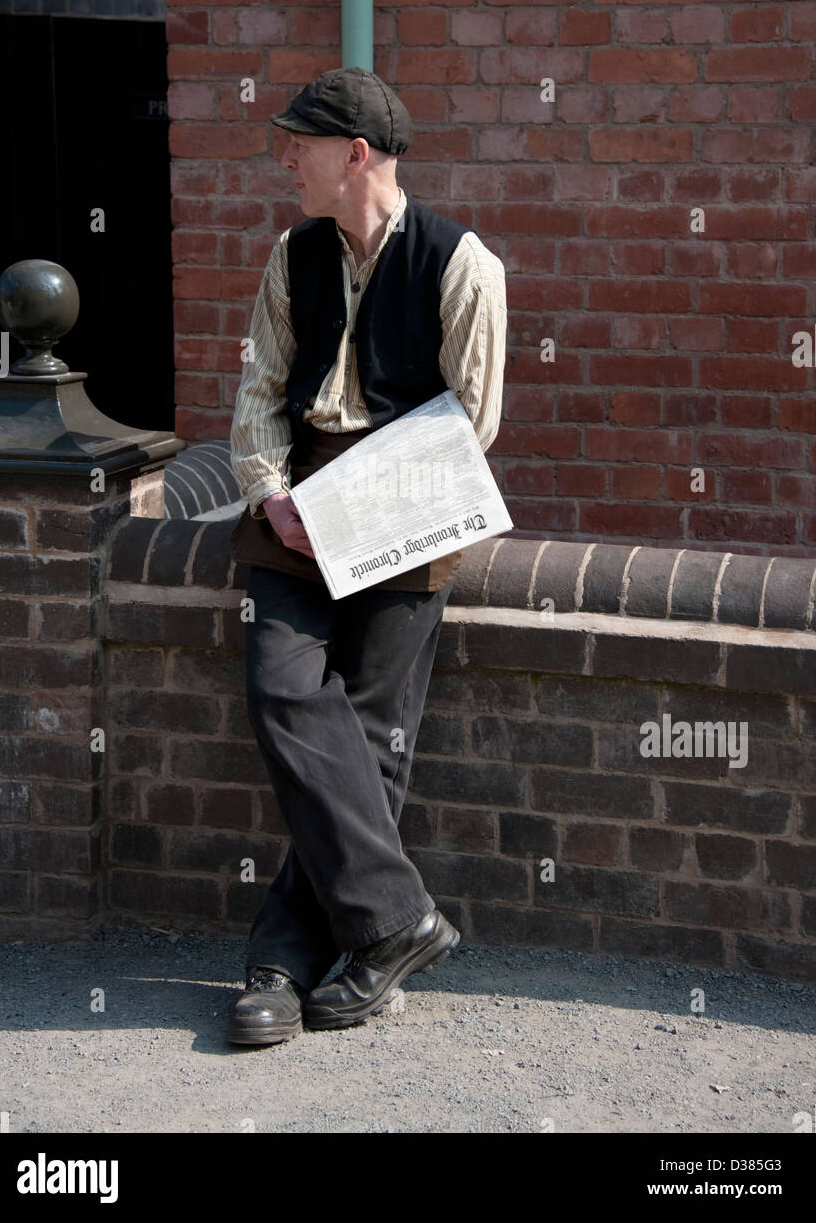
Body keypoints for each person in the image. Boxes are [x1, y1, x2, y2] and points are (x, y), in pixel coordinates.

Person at [226, 66, 506, 1045]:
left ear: (352, 155)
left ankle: (282, 962)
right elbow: (261, 387)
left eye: (298, 143)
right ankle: (396, 920)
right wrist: (271, 492)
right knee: (281, 687)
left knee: (372, 744)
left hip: (411, 505)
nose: (283, 158)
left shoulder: (465, 265)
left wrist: (373, 503)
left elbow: (472, 424)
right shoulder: (291, 253)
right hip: (296, 502)